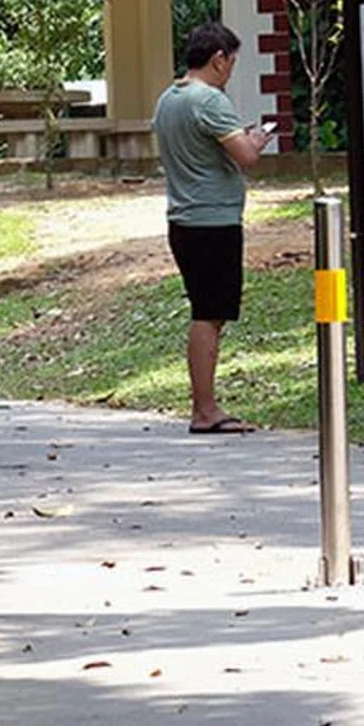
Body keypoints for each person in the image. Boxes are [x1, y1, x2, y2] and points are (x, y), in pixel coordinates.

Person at [152, 21, 271, 434]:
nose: (231, 71)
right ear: (218, 59)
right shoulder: (209, 100)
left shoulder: (168, 99)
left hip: (183, 218)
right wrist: (256, 140)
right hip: (213, 220)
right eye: (232, 63)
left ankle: (205, 406)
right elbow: (245, 157)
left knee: (207, 309)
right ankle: (205, 409)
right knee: (209, 314)